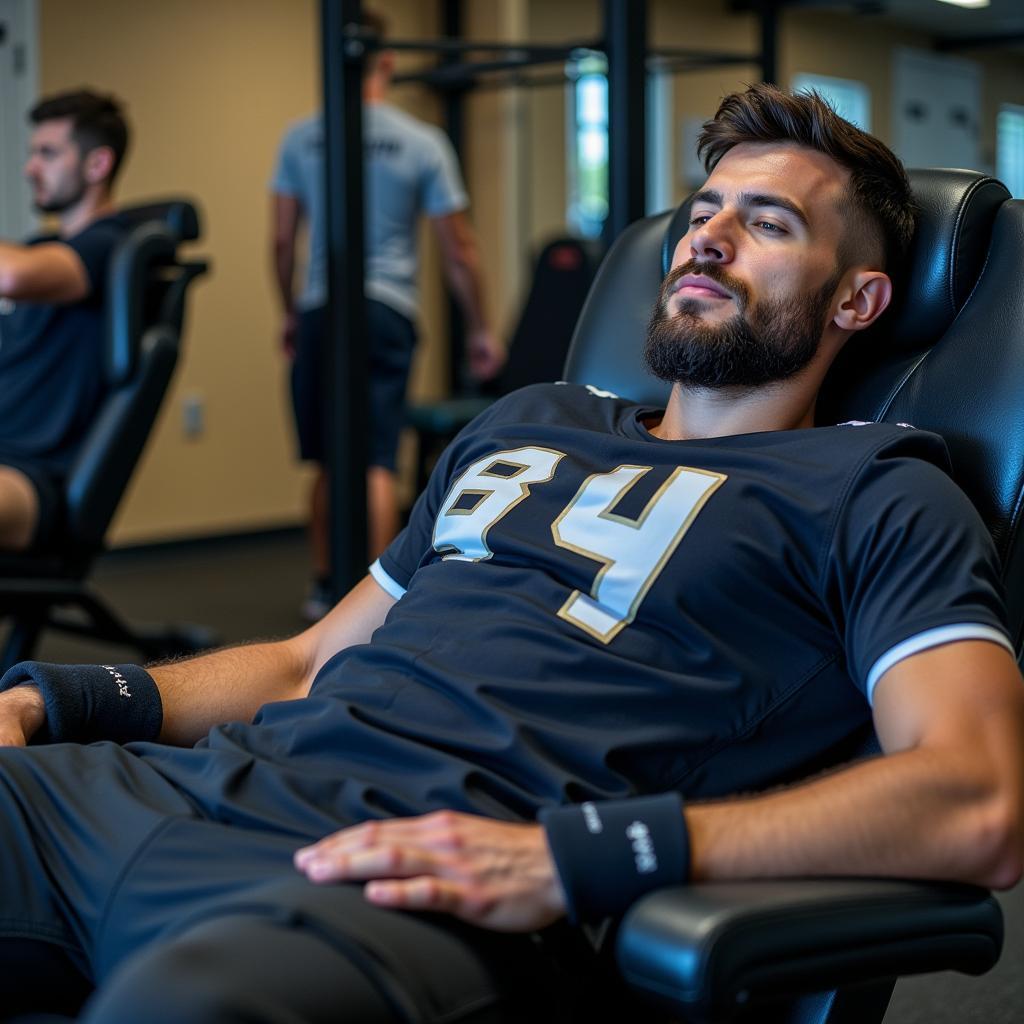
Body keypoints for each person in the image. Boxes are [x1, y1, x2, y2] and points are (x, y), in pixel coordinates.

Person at [0, 84, 1022, 1022]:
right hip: (168, 795)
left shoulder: (878, 491)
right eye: (702, 211)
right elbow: (308, 660)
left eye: (767, 224)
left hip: (398, 879)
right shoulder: (531, 420)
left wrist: (586, 857)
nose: (707, 240)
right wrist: (63, 697)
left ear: (857, 301)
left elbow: (977, 794)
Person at [271, 9, 504, 620]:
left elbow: (279, 241)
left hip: (323, 308)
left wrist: (290, 311)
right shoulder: (421, 140)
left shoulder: (300, 136)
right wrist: (480, 327)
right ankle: (370, 605)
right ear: (389, 61)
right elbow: (461, 249)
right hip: (387, 311)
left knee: (328, 459)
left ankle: (325, 586)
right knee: (377, 459)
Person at [0, 89, 130, 553]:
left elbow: (12, 275)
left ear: (97, 165)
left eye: (48, 153)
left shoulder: (111, 246)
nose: (30, 167)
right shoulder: (41, 249)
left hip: (30, 476)